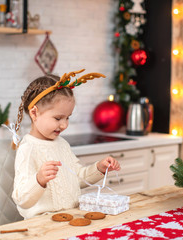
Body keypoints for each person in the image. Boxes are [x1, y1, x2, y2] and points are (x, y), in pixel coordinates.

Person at [9, 69, 121, 219]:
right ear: (34, 113)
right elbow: (20, 199)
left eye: (67, 118)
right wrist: (39, 180)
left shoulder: (62, 144)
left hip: (71, 217)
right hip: (43, 223)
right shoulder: (28, 148)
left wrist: (99, 168)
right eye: (58, 118)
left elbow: (77, 178)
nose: (64, 125)